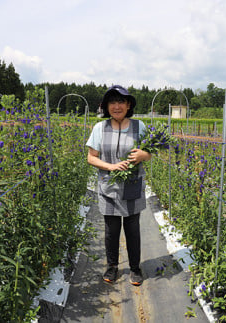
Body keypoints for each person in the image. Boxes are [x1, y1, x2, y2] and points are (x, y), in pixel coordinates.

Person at [85, 85, 151, 286]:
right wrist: (112, 167)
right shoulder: (100, 128)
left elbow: (149, 153)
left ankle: (135, 268)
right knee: (111, 231)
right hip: (108, 188)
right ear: (106, 106)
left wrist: (143, 155)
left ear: (128, 104)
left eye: (121, 101)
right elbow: (91, 158)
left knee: (132, 229)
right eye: (112, 102)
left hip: (132, 187)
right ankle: (112, 266)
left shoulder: (140, 127)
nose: (116, 106)